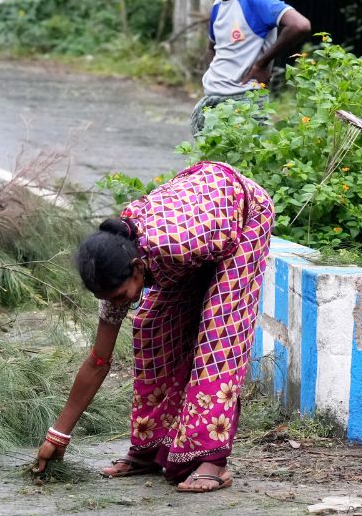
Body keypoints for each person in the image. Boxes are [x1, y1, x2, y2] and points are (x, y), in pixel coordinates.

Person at [33, 161, 273, 494]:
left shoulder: (176, 246)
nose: (118, 304)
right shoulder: (118, 266)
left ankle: (213, 461)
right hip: (198, 230)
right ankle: (150, 449)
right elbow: (98, 360)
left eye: (120, 296)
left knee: (218, 336)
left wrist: (207, 306)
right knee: (151, 328)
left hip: (241, 215)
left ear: (137, 269)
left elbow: (218, 268)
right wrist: (58, 435)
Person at [191, 0, 311, 135]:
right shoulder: (218, 5)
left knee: (242, 165)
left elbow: (300, 25)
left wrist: (261, 64)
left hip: (244, 104)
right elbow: (213, 47)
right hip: (212, 101)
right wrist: (213, 75)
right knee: (213, 166)